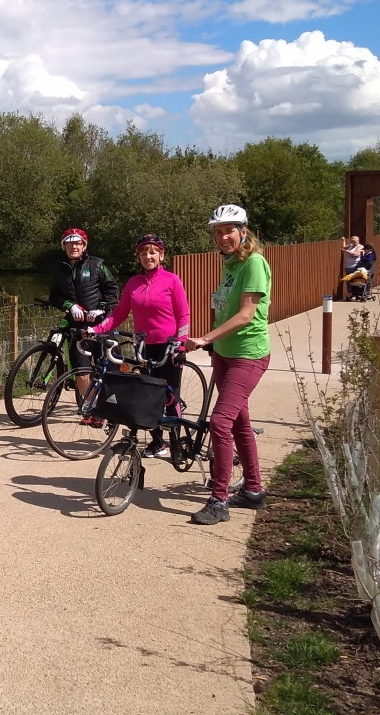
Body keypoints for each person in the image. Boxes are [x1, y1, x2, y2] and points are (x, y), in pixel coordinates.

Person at [185, 204, 272, 526]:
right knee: (238, 422)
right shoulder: (231, 266)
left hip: (248, 354)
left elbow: (246, 314)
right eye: (218, 232)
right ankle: (253, 490)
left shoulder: (254, 264)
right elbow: (222, 308)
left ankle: (218, 500)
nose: (223, 237)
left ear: (243, 231)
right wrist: (213, 345)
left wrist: (205, 338)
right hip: (224, 353)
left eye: (229, 230)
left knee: (220, 422)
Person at [89, 234, 190, 457]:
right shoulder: (134, 283)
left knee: (170, 396)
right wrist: (95, 330)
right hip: (144, 347)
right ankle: (157, 442)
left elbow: (183, 315)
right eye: (143, 253)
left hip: (169, 347)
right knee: (147, 396)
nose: (148, 256)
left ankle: (177, 444)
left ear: (161, 255)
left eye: (153, 252)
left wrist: (181, 346)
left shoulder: (172, 280)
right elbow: (119, 314)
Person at [48, 227, 120, 423]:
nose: (74, 246)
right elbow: (53, 296)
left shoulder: (97, 265)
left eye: (78, 242)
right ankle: (92, 409)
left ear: (84, 246)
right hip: (77, 327)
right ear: (64, 246)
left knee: (110, 367)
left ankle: (112, 409)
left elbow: (112, 290)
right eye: (70, 243)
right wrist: (69, 305)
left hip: (101, 325)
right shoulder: (59, 270)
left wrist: (102, 308)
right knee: (81, 369)